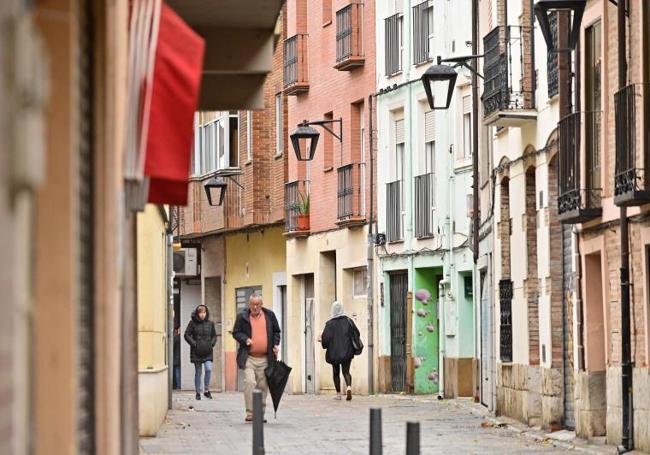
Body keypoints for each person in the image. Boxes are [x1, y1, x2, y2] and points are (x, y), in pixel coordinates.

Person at [232, 294, 281, 422]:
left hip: (265, 358)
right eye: (252, 304)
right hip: (249, 357)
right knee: (250, 382)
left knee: (263, 386)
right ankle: (250, 413)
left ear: (261, 304)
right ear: (249, 305)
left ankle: (259, 414)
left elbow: (276, 331)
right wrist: (245, 339)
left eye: (257, 304)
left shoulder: (269, 316)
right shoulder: (242, 317)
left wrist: (275, 344)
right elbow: (236, 332)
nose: (255, 307)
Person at [321, 301, 360, 401]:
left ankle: (338, 394)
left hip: (334, 353)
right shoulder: (348, 321)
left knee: (336, 372)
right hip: (347, 351)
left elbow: (325, 339)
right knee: (346, 371)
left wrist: (323, 343)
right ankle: (349, 387)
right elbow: (357, 333)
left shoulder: (329, 324)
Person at [184, 305, 217, 400]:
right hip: (196, 352)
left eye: (204, 312)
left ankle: (206, 390)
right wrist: (194, 344)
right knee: (198, 372)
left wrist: (211, 344)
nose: (203, 314)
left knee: (208, 369)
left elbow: (214, 336)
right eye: (201, 312)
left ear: (206, 313)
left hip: (207, 351)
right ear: (197, 313)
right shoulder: (192, 323)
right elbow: (186, 335)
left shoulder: (210, 324)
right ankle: (198, 392)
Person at [173, 324, 181, 389]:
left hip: (176, 357)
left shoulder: (176, 338)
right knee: (179, 372)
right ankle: (179, 385)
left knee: (177, 372)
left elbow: (172, 348)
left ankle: (178, 385)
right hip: (181, 358)